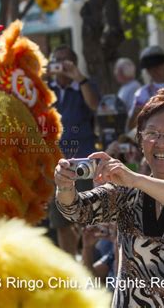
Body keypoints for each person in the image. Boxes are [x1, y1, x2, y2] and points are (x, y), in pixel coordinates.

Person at [54, 88, 164, 307]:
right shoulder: (125, 193)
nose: (160, 142)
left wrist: (135, 179)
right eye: (151, 133)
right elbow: (76, 210)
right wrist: (64, 186)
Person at [47, 44, 99, 256]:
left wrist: (79, 77)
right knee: (61, 221)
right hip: (55, 162)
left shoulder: (84, 86)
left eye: (66, 60)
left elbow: (95, 105)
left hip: (83, 161)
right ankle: (69, 267)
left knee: (86, 216)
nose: (61, 65)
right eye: (56, 60)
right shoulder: (45, 89)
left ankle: (89, 263)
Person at [127, 45, 164, 130]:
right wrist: (137, 114)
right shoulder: (141, 93)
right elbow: (131, 127)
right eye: (149, 67)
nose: (154, 70)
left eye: (158, 65)